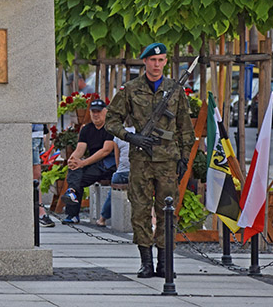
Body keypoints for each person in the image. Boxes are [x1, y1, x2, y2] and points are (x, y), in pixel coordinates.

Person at [105, 42, 194, 279]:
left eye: (161, 60)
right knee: (140, 211)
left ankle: (165, 263)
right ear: (144, 61)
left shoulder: (175, 89)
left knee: (167, 211)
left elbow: (185, 126)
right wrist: (130, 135)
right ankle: (146, 263)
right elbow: (111, 119)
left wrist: (185, 158)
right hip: (141, 160)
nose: (156, 64)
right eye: (152, 60)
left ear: (165, 62)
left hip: (167, 161)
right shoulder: (130, 89)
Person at [60, 99, 116, 224]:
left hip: (108, 165)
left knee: (77, 177)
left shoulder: (110, 128)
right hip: (94, 164)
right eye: (93, 111)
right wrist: (73, 159)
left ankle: (72, 202)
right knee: (75, 169)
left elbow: (106, 151)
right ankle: (72, 201)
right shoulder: (86, 129)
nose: (95, 114)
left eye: (98, 111)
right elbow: (80, 149)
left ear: (105, 112)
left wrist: (83, 163)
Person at [96, 136, 130, 227]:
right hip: (139, 172)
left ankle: (102, 218)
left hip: (122, 172)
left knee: (112, 193)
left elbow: (117, 158)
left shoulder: (118, 137)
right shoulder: (141, 131)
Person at [33, 123, 54, 227]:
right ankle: (40, 212)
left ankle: (40, 211)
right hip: (31, 131)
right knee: (34, 176)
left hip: (36, 132)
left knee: (35, 176)